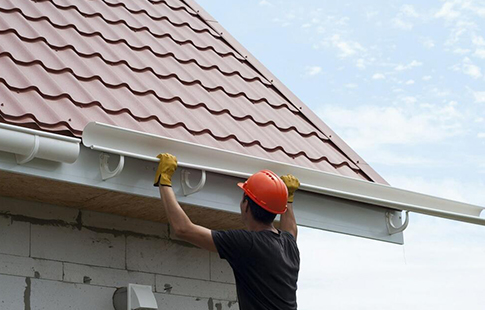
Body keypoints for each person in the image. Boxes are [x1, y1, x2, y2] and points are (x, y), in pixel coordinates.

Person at [155, 153, 300, 310]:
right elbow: (290, 229)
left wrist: (165, 181)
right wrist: (288, 198)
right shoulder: (289, 244)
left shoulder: (248, 244)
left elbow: (184, 229)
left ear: (246, 205)